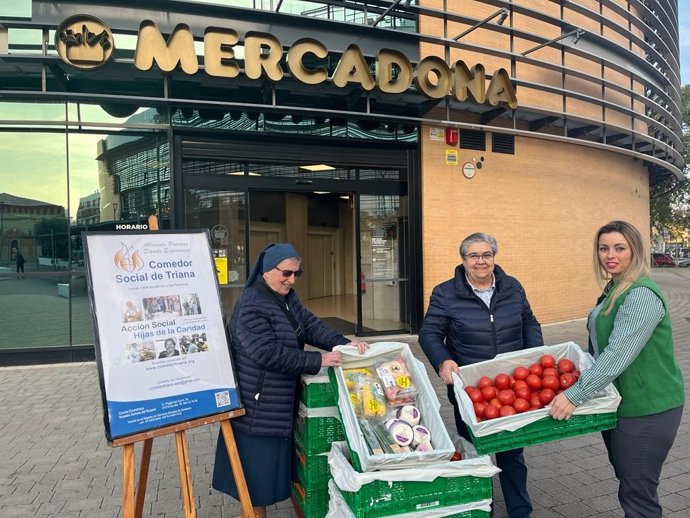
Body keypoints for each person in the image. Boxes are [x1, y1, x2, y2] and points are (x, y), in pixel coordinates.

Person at [212, 243, 368, 518]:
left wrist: (343, 344)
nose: (292, 280)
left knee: (265, 464)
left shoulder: (286, 297)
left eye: (297, 273)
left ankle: (254, 511)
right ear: (266, 270)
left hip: (276, 396)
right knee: (254, 463)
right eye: (286, 273)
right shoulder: (251, 304)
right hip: (258, 400)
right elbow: (267, 353)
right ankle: (252, 513)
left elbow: (309, 325)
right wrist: (317, 360)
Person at [549, 220, 684, 518]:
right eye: (603, 248)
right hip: (624, 406)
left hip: (648, 410)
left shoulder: (640, 296)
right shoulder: (617, 287)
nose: (610, 255)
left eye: (619, 248)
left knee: (637, 495)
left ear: (634, 250)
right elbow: (602, 348)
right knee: (632, 484)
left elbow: (617, 355)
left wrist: (574, 395)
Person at [419, 232, 543, 518]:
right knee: (476, 454)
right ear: (463, 260)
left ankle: (520, 512)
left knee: (512, 454)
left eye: (486, 254)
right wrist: (443, 361)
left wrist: (534, 354)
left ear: (494, 257)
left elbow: (529, 322)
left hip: (513, 385)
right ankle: (480, 510)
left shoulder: (512, 287)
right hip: (471, 389)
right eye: (473, 256)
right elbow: (430, 332)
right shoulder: (445, 293)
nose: (481, 261)